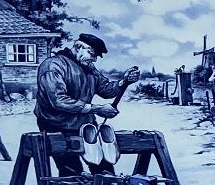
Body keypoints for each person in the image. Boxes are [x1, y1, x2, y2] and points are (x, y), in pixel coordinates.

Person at [34, 35, 141, 177]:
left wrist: (124, 81)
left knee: (104, 170)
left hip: (85, 123)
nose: (94, 59)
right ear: (78, 47)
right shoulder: (52, 66)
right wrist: (97, 109)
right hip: (56, 124)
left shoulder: (89, 67)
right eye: (92, 54)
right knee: (71, 172)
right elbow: (58, 101)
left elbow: (106, 90)